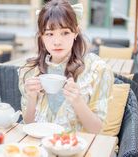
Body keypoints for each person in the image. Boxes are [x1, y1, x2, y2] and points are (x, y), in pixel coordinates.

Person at [18, 0, 114, 134]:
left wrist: (78, 101)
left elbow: (97, 130)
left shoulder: (97, 69)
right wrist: (32, 97)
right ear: (41, 37)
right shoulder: (30, 70)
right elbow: (28, 125)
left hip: (77, 149)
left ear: (76, 33)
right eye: (49, 34)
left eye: (65, 33)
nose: (57, 42)